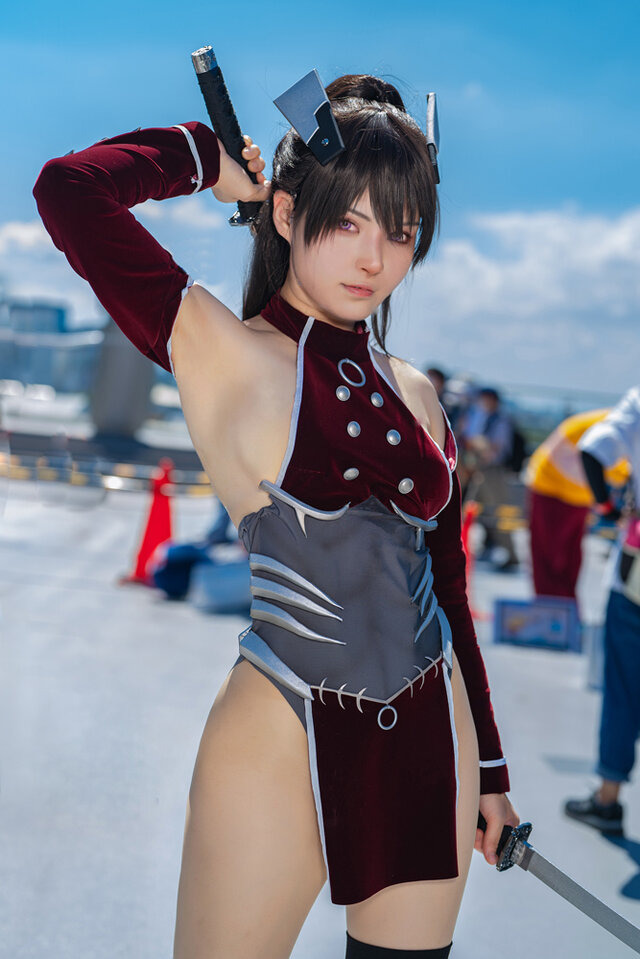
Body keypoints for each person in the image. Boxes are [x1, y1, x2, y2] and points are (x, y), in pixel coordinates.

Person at [33, 72, 518, 959]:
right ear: (288, 214)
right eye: (348, 223)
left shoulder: (419, 392)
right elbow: (68, 189)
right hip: (278, 731)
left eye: (400, 231)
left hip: (430, 733)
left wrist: (490, 769)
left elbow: (449, 589)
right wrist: (203, 159)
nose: (374, 258)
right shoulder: (224, 349)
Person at [564, 387, 640, 836]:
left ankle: (608, 799)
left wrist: (609, 507)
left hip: (635, 577)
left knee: (623, 686)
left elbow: (593, 449)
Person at [525, 409, 629, 599]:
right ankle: (551, 606)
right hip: (551, 489)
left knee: (570, 559)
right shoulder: (618, 426)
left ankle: (565, 606)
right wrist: (605, 501)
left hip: (577, 496)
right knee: (550, 558)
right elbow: (598, 463)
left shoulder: (620, 423)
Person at [460, 387, 519, 571]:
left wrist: (481, 448)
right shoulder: (475, 415)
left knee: (498, 514)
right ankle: (460, 549)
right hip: (473, 469)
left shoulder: (501, 420)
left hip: (493, 472)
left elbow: (497, 447)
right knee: (465, 510)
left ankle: (511, 555)